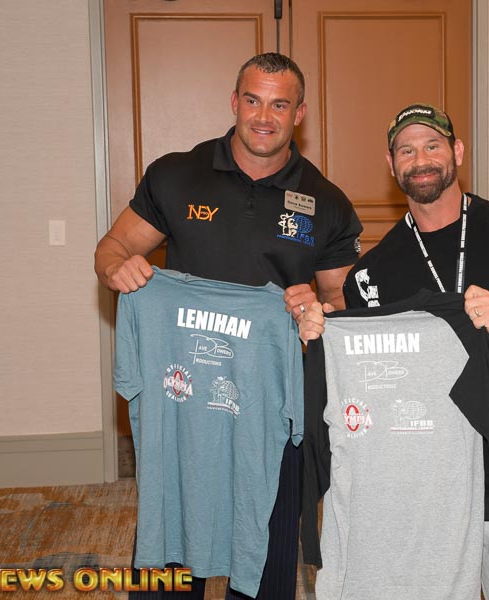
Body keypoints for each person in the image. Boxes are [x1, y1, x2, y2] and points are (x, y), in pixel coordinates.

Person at [299, 103, 489, 599]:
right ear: (391, 164)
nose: (420, 159)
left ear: (457, 151)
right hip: (421, 489)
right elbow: (359, 371)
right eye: (406, 150)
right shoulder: (371, 273)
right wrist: (319, 329)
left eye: (432, 145)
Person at [95, 53, 362, 599]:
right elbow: (112, 246)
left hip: (271, 394)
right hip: (184, 393)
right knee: (172, 537)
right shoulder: (176, 174)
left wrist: (318, 309)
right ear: (235, 102)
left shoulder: (326, 202)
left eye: (280, 105)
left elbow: (343, 303)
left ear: (299, 114)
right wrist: (116, 268)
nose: (264, 116)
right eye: (253, 100)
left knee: (268, 545)